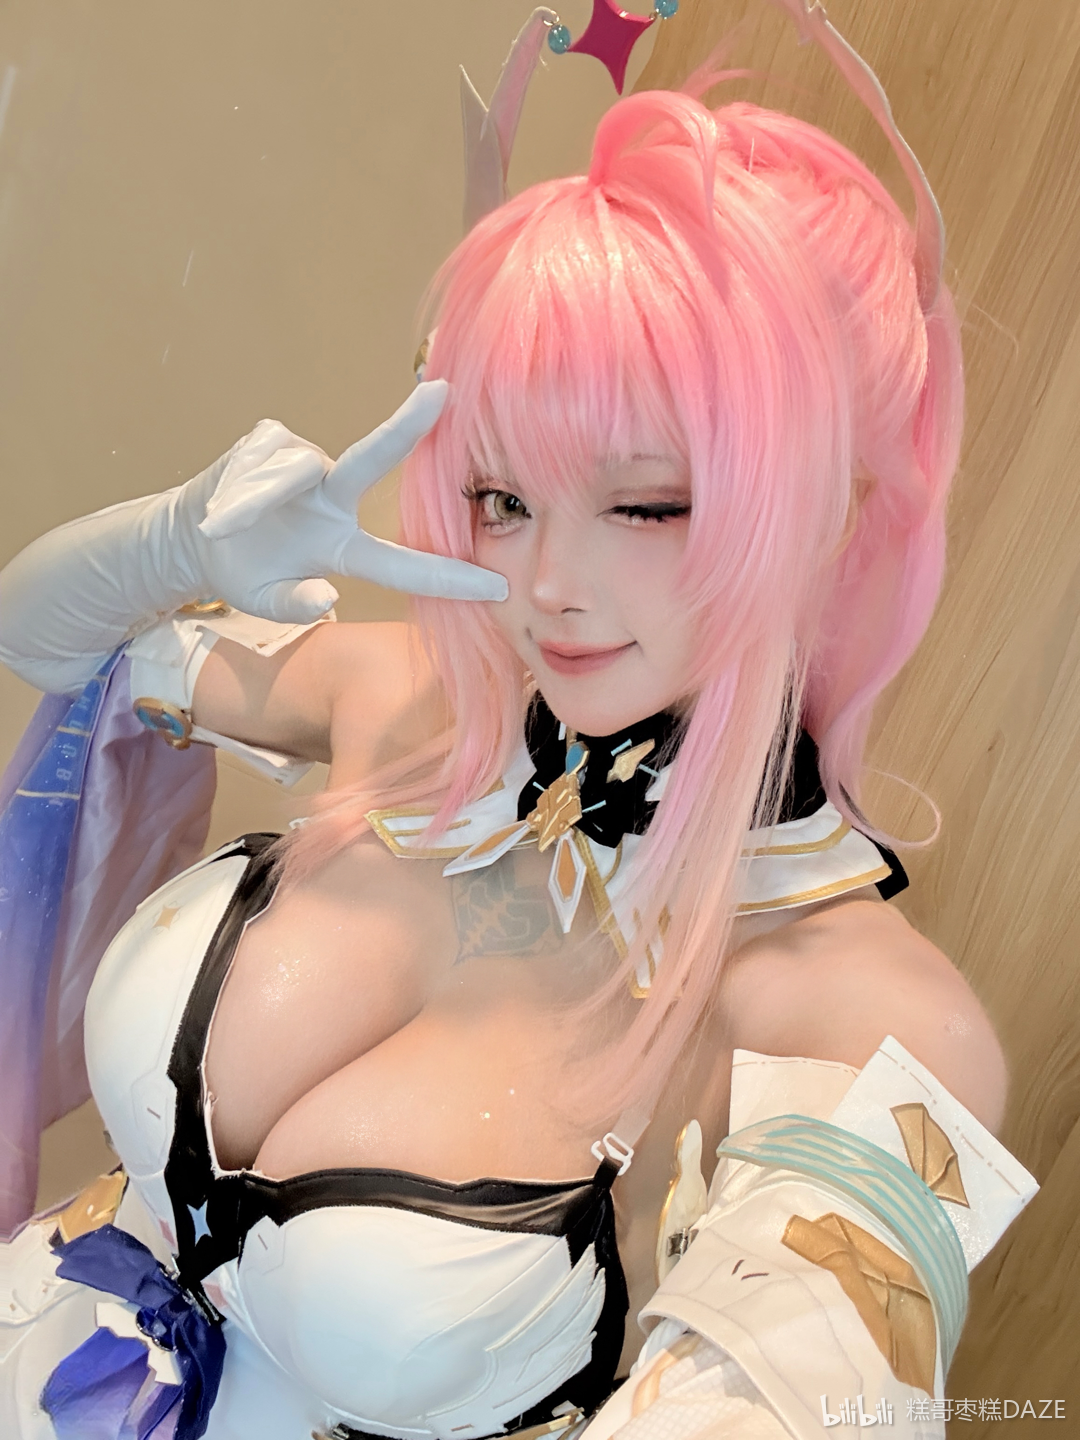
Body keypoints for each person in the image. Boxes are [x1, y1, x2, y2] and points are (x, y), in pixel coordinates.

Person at [0, 8, 1039, 1439]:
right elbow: (54, 646)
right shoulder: (417, 702)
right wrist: (179, 542)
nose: (548, 582)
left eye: (645, 504)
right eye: (503, 495)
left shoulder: (861, 1019)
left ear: (829, 507)